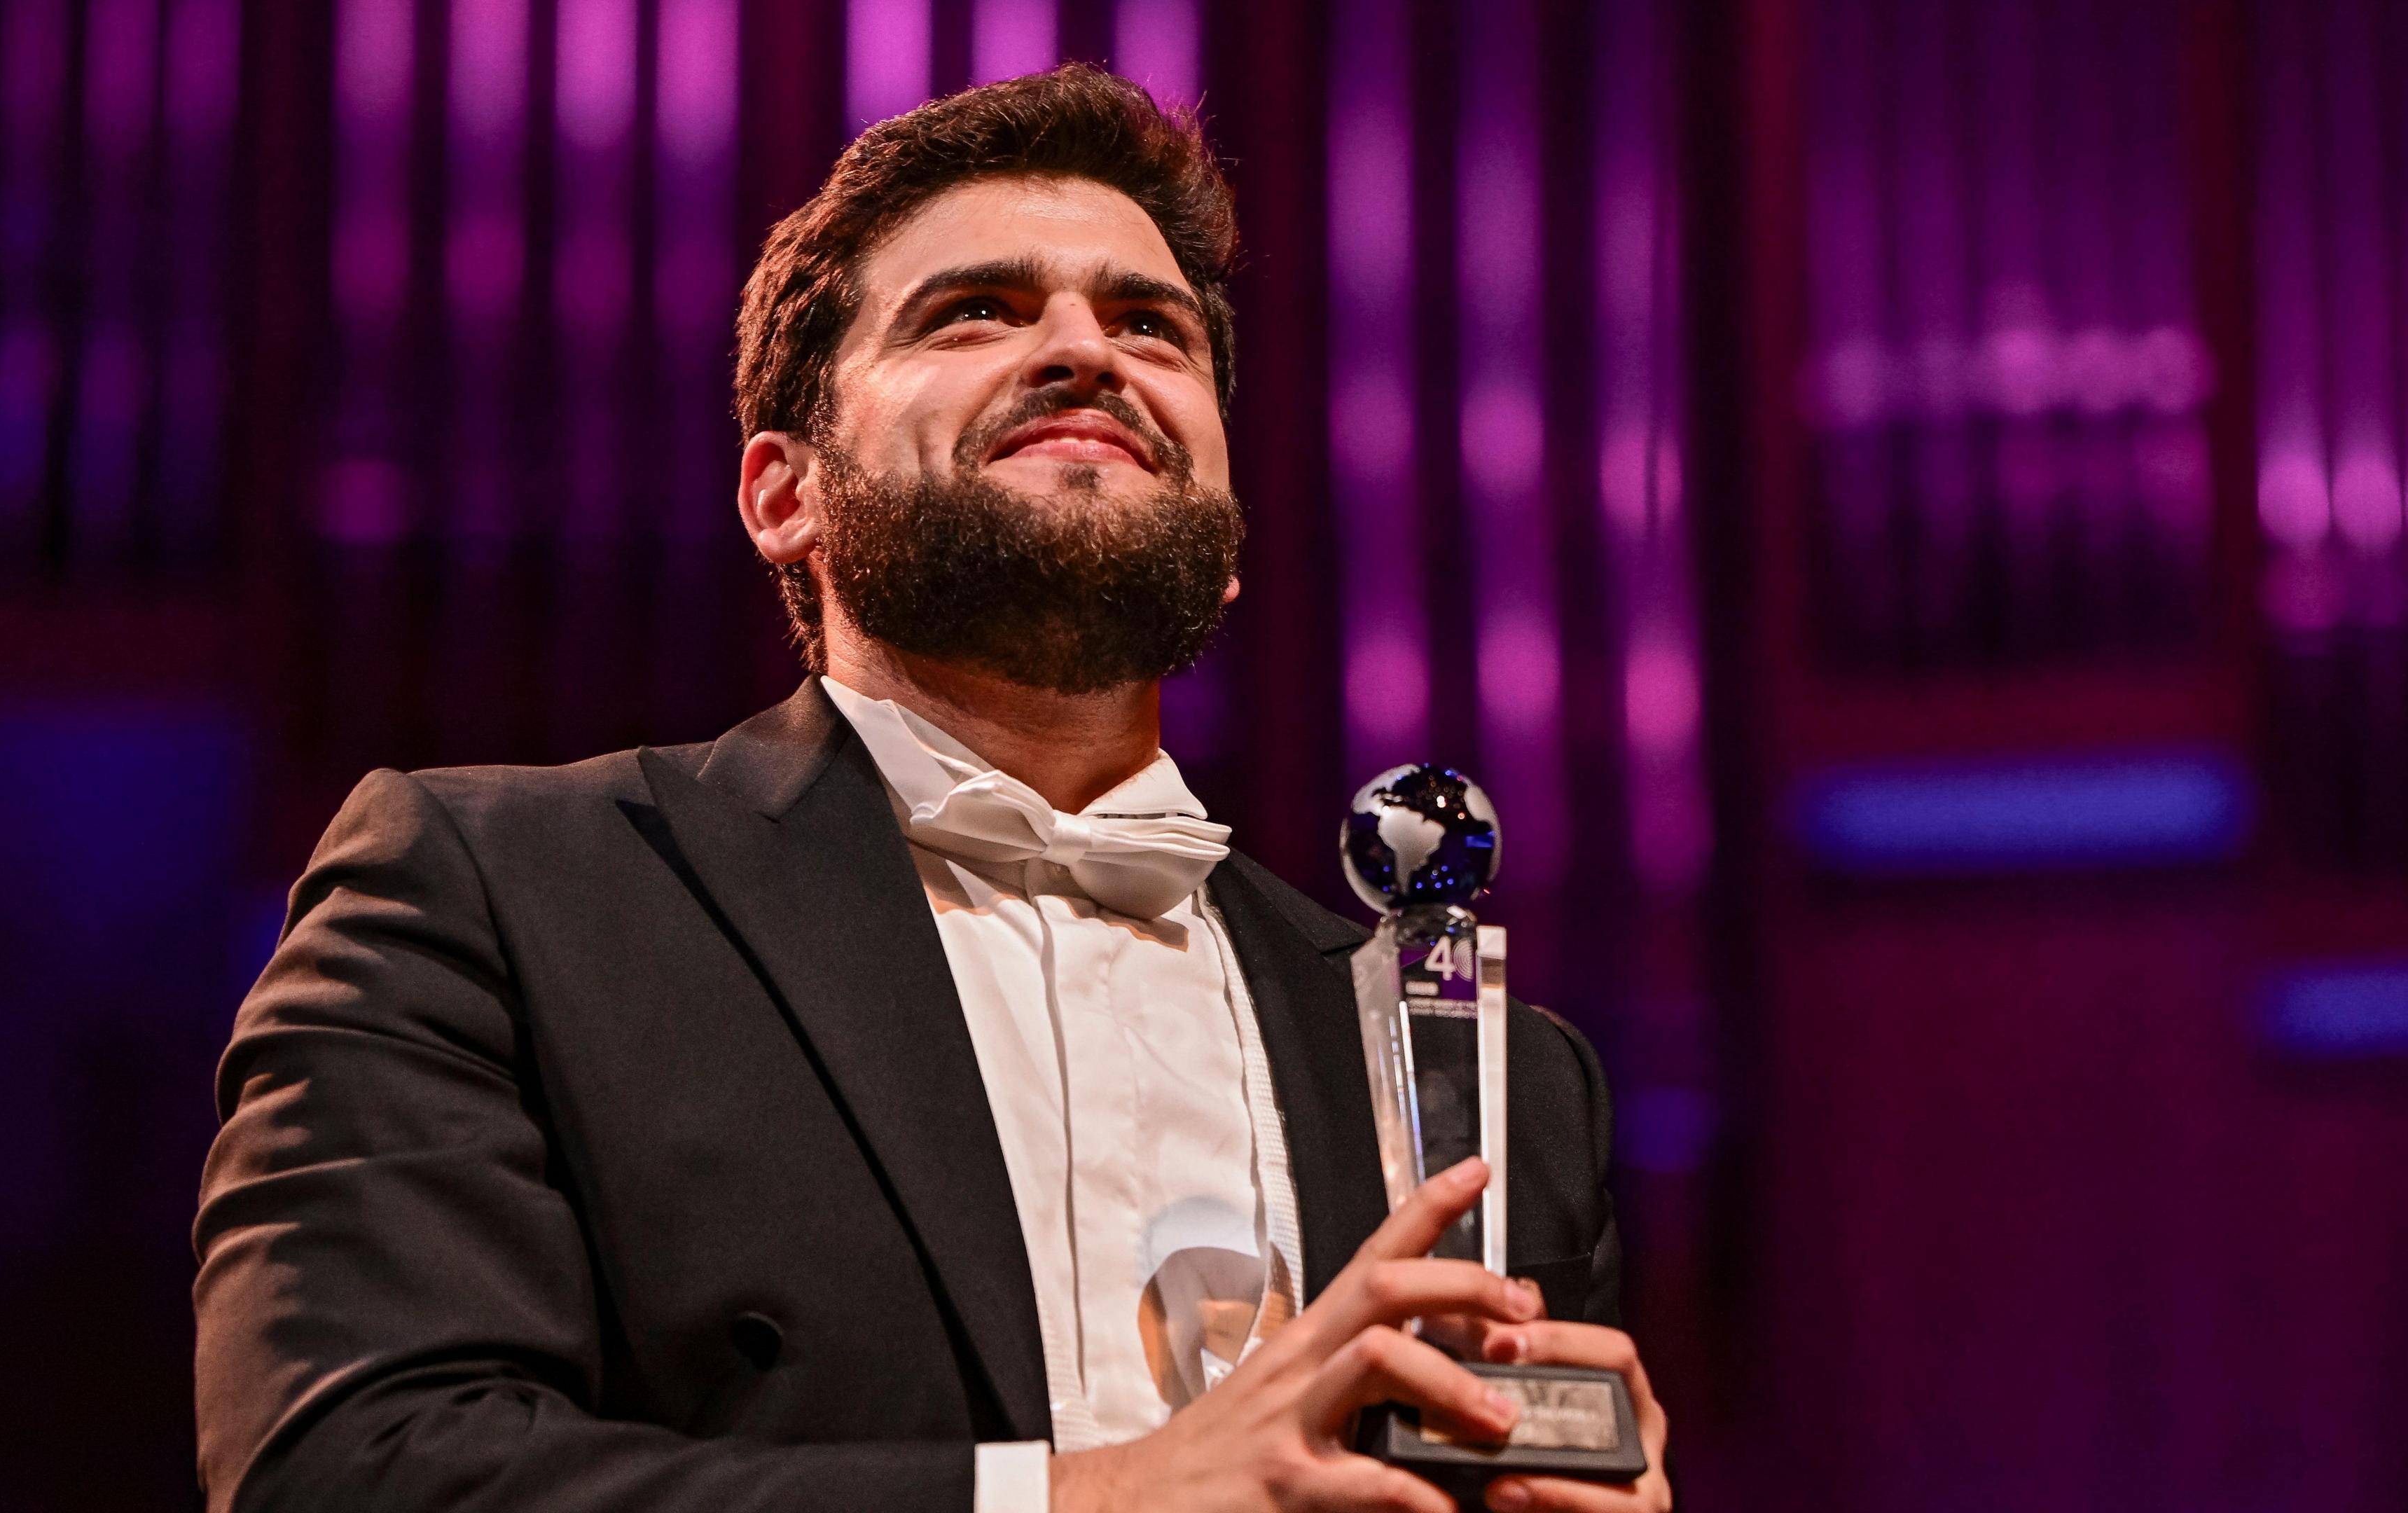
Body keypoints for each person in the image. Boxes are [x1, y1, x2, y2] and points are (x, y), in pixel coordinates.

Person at [193, 64, 1669, 1513]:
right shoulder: (491, 894)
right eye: (977, 312)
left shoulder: (1503, 1073)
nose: (1089, 351)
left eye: (1150, 325)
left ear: (1221, 532)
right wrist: (1100, 1501)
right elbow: (355, 1470)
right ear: (787, 494)